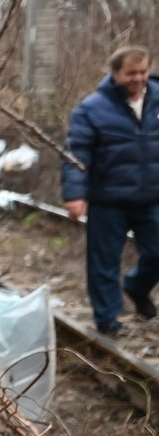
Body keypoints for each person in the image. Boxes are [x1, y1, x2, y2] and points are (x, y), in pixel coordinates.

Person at [62, 45, 159, 336]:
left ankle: (137, 287)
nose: (138, 78)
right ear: (115, 73)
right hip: (108, 199)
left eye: (142, 72)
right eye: (131, 73)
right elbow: (77, 154)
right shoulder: (92, 109)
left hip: (152, 197)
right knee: (104, 263)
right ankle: (107, 320)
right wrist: (75, 194)